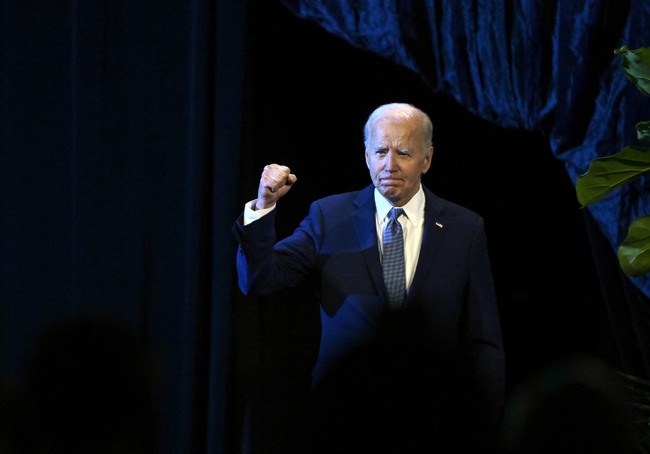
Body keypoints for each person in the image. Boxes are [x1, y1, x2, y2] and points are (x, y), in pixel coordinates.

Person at [233, 103, 505, 440]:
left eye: (403, 152)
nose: (389, 165)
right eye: (380, 151)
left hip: (434, 423)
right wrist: (263, 206)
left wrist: (480, 429)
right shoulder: (328, 216)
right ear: (366, 156)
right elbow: (259, 279)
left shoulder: (464, 228)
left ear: (427, 159)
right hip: (343, 420)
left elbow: (484, 344)